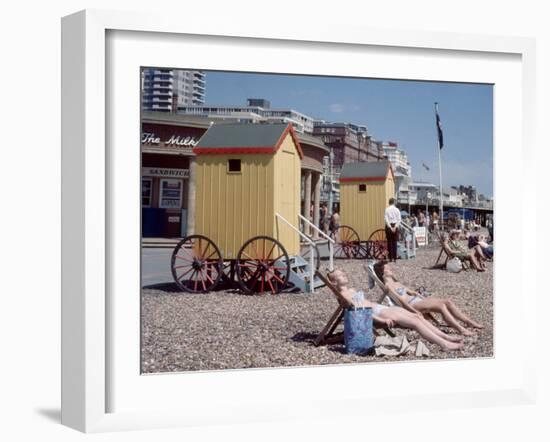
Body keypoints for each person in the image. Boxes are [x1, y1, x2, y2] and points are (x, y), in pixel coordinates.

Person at [327, 269, 464, 351]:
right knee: (415, 323)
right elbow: (361, 312)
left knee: (418, 317)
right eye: (340, 274)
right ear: (333, 282)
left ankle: (446, 337)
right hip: (377, 313)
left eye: (343, 272)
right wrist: (382, 320)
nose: (344, 274)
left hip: (381, 308)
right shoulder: (343, 296)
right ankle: (444, 344)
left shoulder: (352, 290)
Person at [372, 261, 484, 336]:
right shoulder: (388, 286)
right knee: (441, 306)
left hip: (418, 300)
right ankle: (461, 329)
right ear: (382, 273)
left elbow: (413, 292)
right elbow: (400, 301)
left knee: (447, 301)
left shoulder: (396, 282)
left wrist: (424, 298)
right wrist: (414, 312)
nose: (391, 269)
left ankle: (468, 322)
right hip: (412, 304)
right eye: (388, 268)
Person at [384, 198, 401, 262]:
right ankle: (395, 258)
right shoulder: (397, 210)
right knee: (394, 242)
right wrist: (395, 227)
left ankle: (390, 258)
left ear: (389, 202)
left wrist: (390, 227)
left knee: (389, 242)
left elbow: (386, 219)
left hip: (389, 226)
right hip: (395, 225)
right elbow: (399, 219)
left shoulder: (387, 209)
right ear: (394, 202)